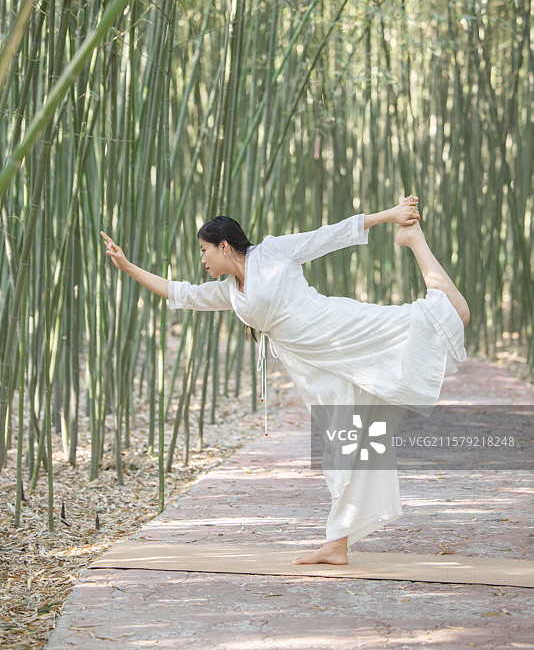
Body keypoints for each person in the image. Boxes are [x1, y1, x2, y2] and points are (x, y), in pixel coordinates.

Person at [101, 195, 469, 565]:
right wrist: (127, 266)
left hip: (340, 329)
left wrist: (390, 216)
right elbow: (181, 292)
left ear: (223, 246)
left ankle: (414, 240)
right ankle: (338, 543)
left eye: (204, 250)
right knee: (343, 448)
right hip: (317, 368)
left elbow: (329, 235)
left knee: (450, 317)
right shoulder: (229, 291)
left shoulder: (273, 252)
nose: (202, 259)